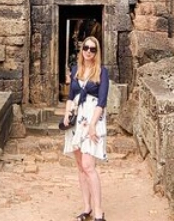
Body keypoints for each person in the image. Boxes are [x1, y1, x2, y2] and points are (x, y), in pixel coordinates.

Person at [63, 36, 109, 221]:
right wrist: (66, 114)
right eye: (86, 48)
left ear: (97, 52)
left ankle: (98, 211)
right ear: (81, 50)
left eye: (93, 49)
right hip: (76, 120)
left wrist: (92, 125)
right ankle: (87, 207)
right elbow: (70, 96)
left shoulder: (102, 72)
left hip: (92, 119)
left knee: (89, 166)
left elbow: (102, 100)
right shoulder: (75, 70)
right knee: (81, 167)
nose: (89, 52)